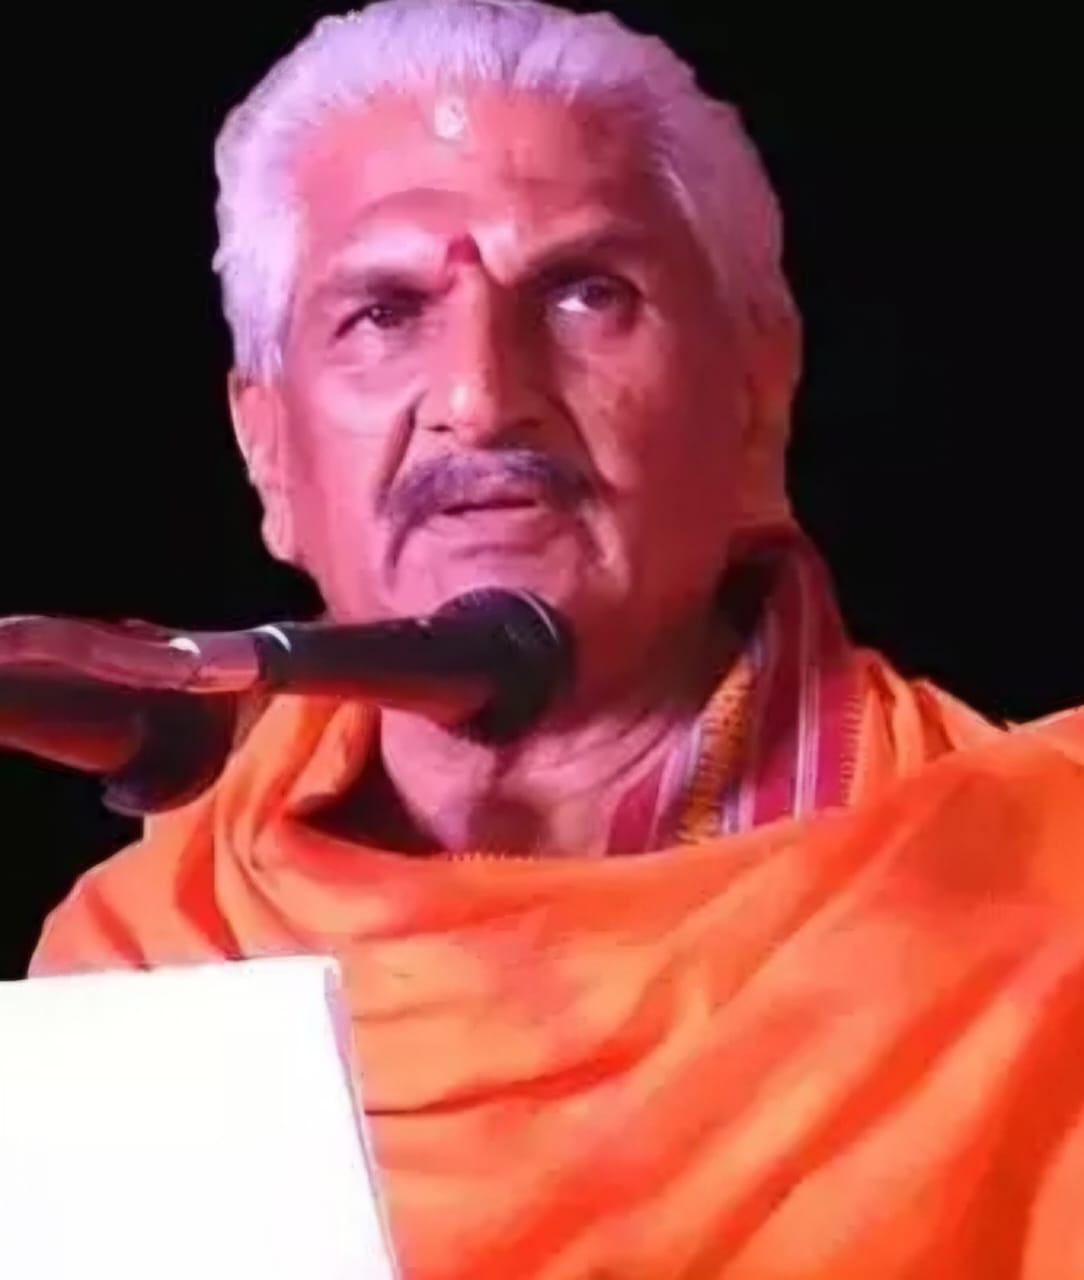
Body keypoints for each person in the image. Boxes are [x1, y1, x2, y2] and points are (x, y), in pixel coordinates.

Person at [27, 2, 1082, 1276]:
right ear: (268, 452)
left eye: (586, 294)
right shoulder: (148, 965)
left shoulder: (1051, 884)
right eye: (384, 312)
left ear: (759, 392)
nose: (481, 397)